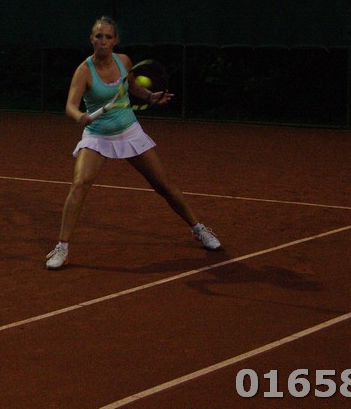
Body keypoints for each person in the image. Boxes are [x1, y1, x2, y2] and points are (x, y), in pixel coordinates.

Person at [46, 16, 221, 270]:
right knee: (79, 184)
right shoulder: (84, 71)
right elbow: (70, 106)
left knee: (164, 185)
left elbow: (131, 86)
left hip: (129, 131)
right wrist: (79, 116)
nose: (103, 41)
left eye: (108, 37)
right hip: (97, 135)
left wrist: (149, 96)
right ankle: (62, 247)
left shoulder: (124, 61)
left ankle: (199, 229)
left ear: (115, 40)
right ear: (91, 39)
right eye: (98, 36)